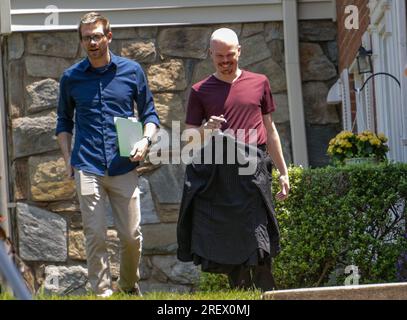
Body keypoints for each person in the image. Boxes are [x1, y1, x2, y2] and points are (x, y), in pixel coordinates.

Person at [177, 28, 290, 291]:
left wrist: (283, 172)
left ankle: (266, 292)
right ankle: (240, 294)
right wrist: (206, 128)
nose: (225, 61)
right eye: (219, 57)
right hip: (220, 171)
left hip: (254, 167)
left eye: (230, 55)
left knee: (258, 231)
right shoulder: (200, 90)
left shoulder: (260, 82)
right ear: (210, 55)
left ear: (240, 51)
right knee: (229, 235)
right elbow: (190, 138)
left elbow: (270, 130)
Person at [56, 12, 159, 297]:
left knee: (131, 237)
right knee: (95, 235)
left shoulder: (132, 71)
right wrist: (68, 161)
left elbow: (150, 114)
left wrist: (145, 141)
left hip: (123, 164)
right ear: (81, 41)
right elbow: (63, 122)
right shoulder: (71, 78)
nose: (92, 42)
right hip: (87, 165)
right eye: (86, 37)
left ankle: (127, 285)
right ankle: (102, 292)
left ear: (109, 36)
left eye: (97, 36)